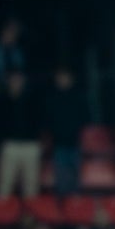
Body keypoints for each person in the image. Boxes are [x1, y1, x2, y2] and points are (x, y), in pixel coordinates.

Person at [0, 70, 44, 197]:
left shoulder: (33, 99)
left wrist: (38, 142)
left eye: (19, 79)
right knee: (5, 184)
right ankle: (2, 215)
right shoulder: (1, 100)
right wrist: (0, 143)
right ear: (8, 81)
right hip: (10, 146)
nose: (16, 82)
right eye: (13, 79)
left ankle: (30, 216)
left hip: (30, 146)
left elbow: (40, 121)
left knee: (31, 185)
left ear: (23, 81)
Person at [45, 66, 88, 195]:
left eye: (65, 77)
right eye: (60, 78)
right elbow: (48, 120)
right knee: (61, 180)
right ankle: (62, 209)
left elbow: (85, 117)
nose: (63, 80)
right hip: (59, 144)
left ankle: (75, 208)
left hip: (75, 143)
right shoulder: (51, 98)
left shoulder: (79, 97)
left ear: (71, 79)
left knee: (76, 179)